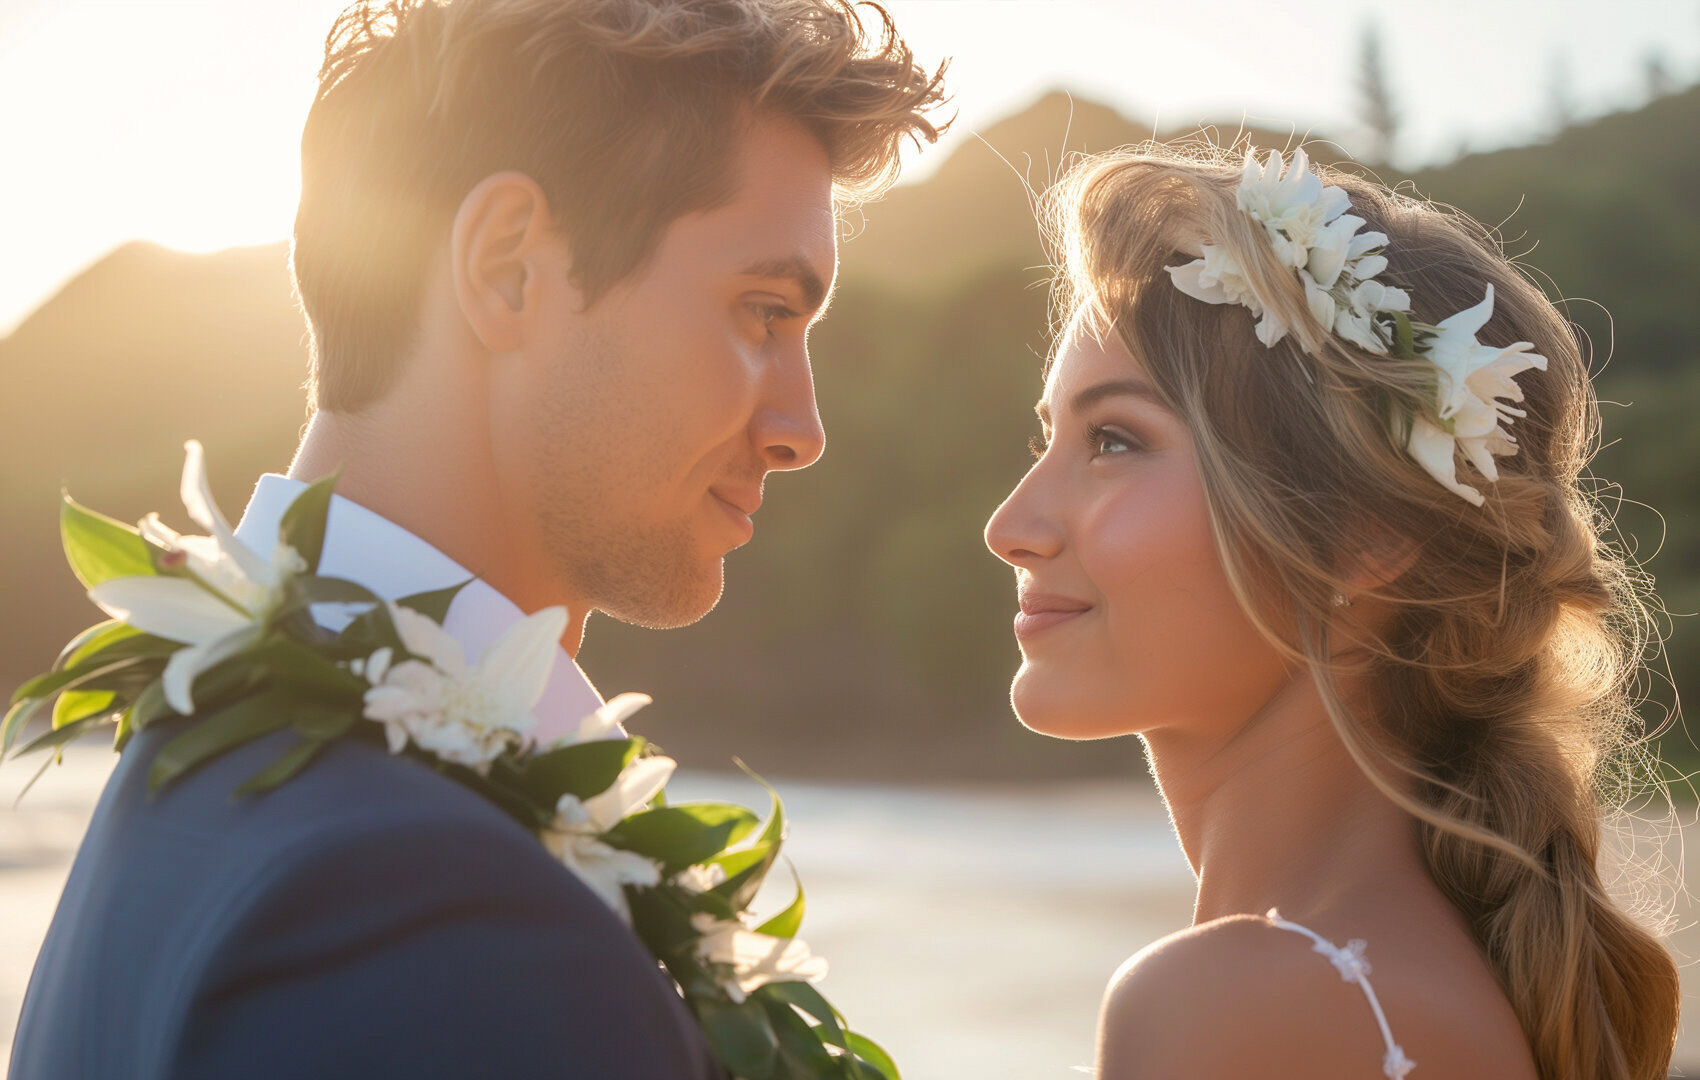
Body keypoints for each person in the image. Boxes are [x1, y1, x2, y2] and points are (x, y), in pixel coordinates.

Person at [10, 1, 944, 1077]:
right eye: (762, 311)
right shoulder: (434, 912)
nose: (803, 431)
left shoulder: (199, 773)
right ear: (506, 267)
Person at [984, 143, 1679, 1080]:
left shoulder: (1235, 1008)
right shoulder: (1450, 985)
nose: (1010, 526)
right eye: (1048, 436)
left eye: (1114, 439)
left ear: (1365, 535)